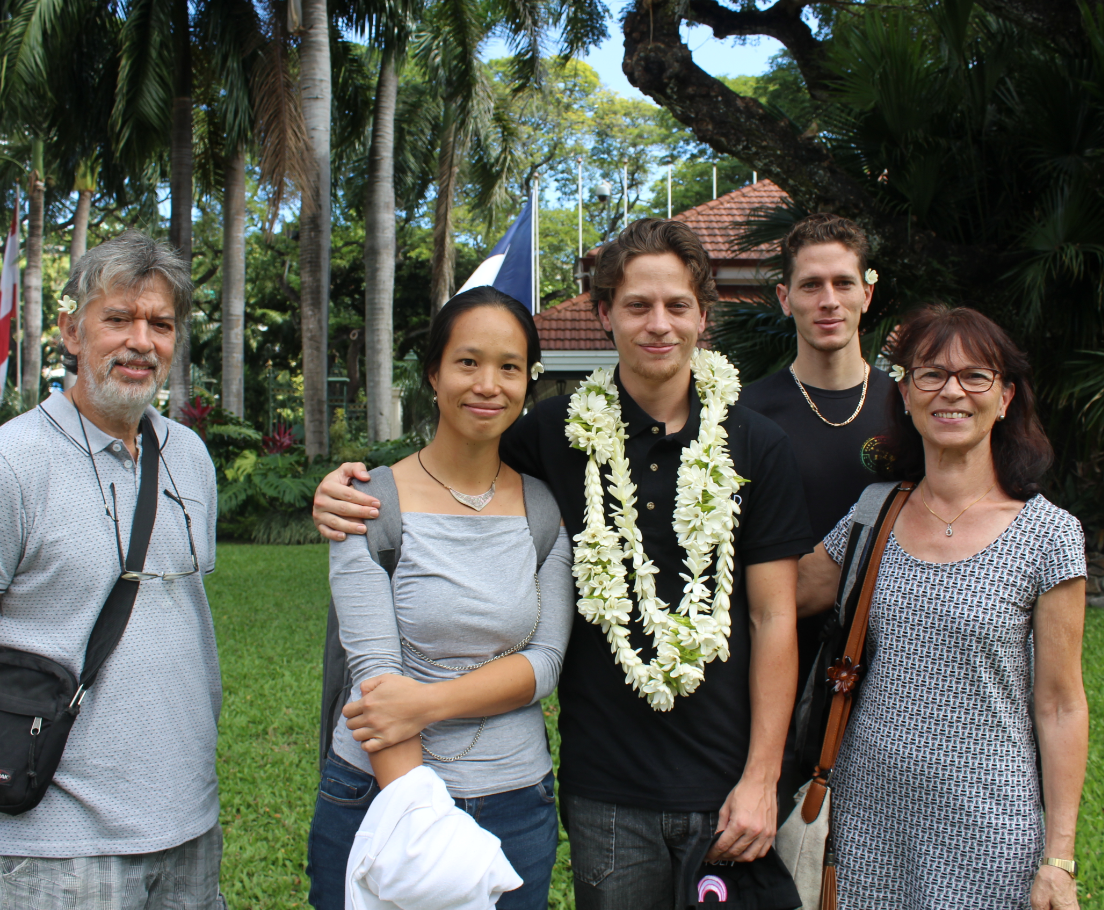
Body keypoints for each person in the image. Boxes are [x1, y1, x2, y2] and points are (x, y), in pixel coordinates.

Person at [313, 219, 815, 910]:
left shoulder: (755, 445)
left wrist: (763, 777)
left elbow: (772, 615)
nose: (658, 324)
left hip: (726, 784)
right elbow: (460, 454)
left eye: (676, 305)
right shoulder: (554, 434)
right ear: (605, 314)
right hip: (604, 787)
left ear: (704, 314)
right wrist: (345, 489)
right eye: (637, 305)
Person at [0, 232, 226, 910]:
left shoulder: (191, 458)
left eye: (160, 324)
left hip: (189, 826)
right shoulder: (3, 469)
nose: (141, 341)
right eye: (118, 319)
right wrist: (12, 755)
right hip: (53, 842)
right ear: (72, 332)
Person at [795, 304, 1087, 910]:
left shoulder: (1048, 534)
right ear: (904, 394)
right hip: (866, 820)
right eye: (930, 374)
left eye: (975, 376)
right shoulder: (873, 512)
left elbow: (1060, 704)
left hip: (990, 828)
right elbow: (782, 599)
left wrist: (1059, 857)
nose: (952, 391)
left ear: (1005, 398)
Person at [306, 287, 574, 910]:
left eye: (509, 367)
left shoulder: (543, 510)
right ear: (433, 373)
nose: (488, 384)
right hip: (381, 795)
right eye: (467, 362)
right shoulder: (367, 503)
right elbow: (377, 683)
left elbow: (545, 663)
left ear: (527, 382)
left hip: (515, 804)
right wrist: (427, 834)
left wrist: (424, 703)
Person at [738, 212, 893, 791]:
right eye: (810, 285)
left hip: (887, 671)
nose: (828, 300)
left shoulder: (912, 412)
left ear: (867, 294)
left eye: (843, 283)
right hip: (773, 665)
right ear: (785, 298)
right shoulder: (743, 416)